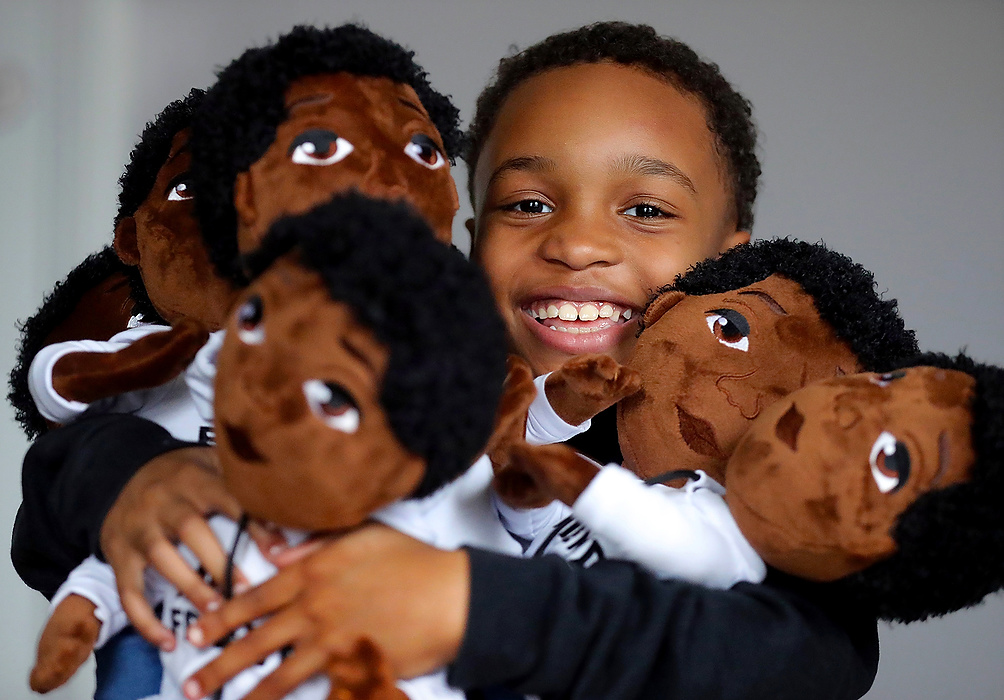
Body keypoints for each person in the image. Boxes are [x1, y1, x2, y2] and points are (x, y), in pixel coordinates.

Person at [15, 21, 878, 700]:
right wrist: (132, 483)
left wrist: (468, 607)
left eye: (646, 210)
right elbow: (45, 514)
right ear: (465, 241)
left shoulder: (767, 477)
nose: (577, 243)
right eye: (527, 202)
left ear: (733, 260)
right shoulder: (371, 399)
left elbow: (808, 657)